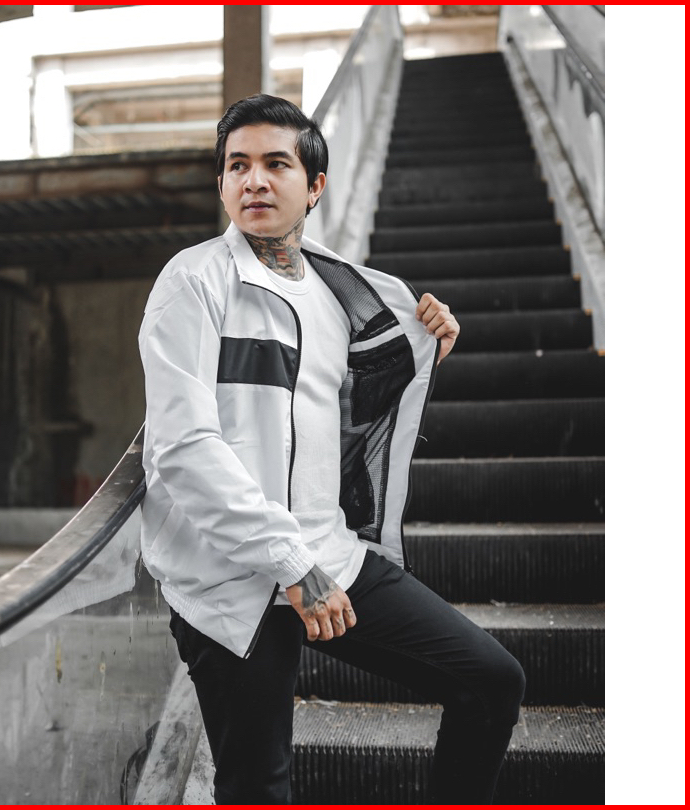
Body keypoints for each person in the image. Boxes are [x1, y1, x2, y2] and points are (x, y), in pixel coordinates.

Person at [138, 94, 525, 805]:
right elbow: (184, 448)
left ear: (314, 186)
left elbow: (350, 409)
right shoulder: (191, 283)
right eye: (237, 166)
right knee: (259, 790)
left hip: (328, 551)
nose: (254, 180)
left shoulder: (336, 293)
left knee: (492, 680)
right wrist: (289, 563)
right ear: (221, 184)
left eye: (275, 164)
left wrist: (424, 343)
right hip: (230, 578)